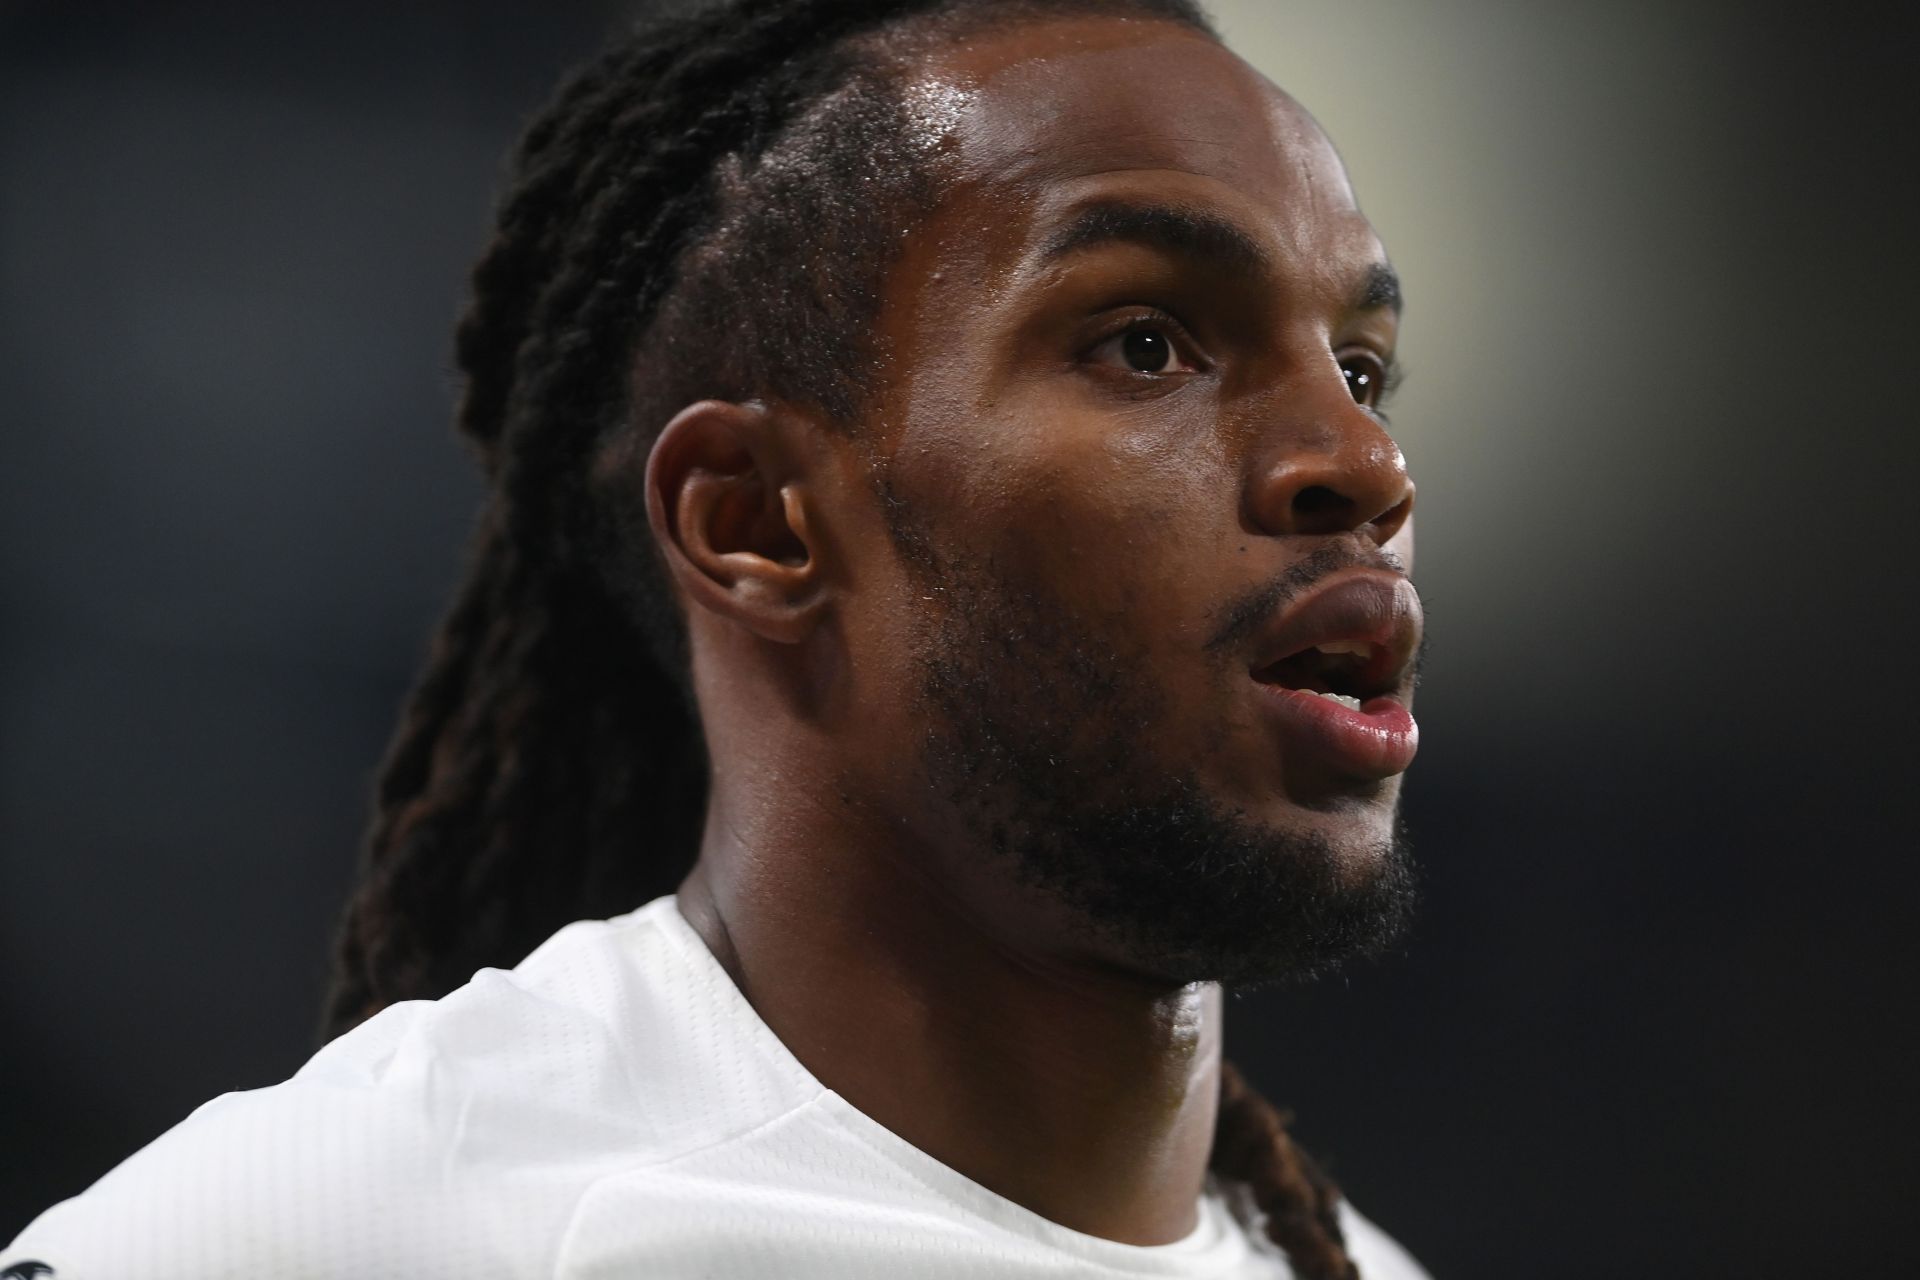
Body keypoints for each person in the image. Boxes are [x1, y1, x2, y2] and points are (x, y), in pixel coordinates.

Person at [3, 0, 1432, 1275]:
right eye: (1145, 344)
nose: (1363, 464)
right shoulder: (351, 1230)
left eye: (1360, 366)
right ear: (757, 522)